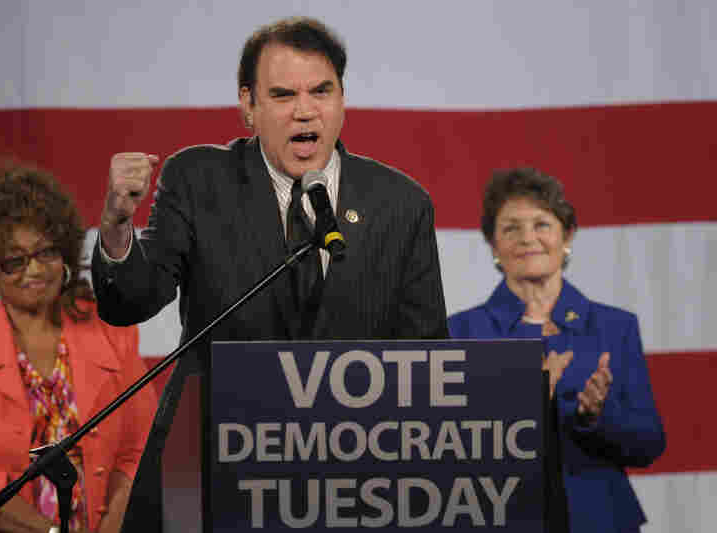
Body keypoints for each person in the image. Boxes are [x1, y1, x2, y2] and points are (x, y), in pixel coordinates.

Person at [91, 16, 448, 531]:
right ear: (248, 107)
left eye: (321, 91)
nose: (306, 110)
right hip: (218, 462)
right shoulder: (200, 180)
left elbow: (423, 355)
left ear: (343, 98)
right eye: (282, 95)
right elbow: (132, 301)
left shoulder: (400, 203)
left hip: (349, 477)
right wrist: (117, 225)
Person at [0, 165, 158, 533]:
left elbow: (140, 445)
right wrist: (47, 532)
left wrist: (113, 523)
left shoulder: (109, 330)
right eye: (14, 260)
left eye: (45, 252)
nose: (34, 270)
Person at [448, 168, 666, 533]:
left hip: (600, 520)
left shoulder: (615, 327)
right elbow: (447, 452)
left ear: (567, 235)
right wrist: (524, 406)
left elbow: (649, 444)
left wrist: (594, 415)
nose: (527, 238)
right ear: (493, 244)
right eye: (511, 228)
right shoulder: (461, 332)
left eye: (541, 224)